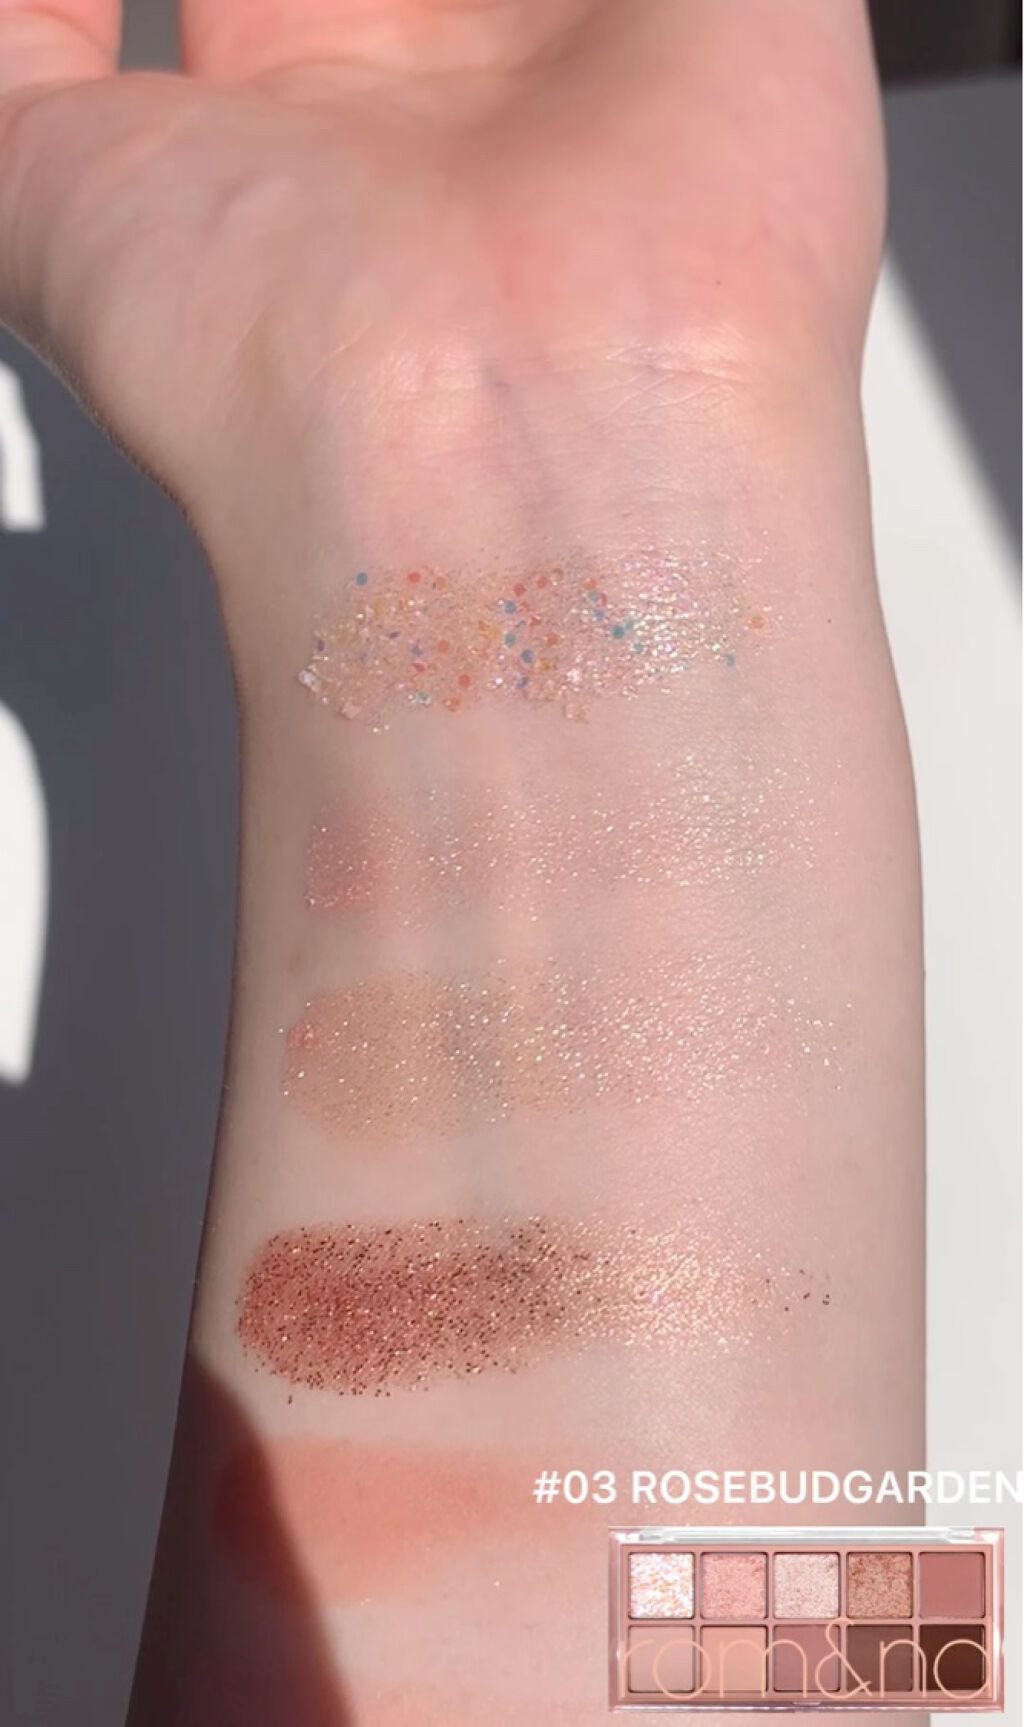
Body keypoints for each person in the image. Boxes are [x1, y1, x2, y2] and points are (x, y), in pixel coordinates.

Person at [0, 3, 923, 1722]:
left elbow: (827, 1664)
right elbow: (833, 1669)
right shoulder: (836, 1642)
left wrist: (607, 395)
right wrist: (582, 410)